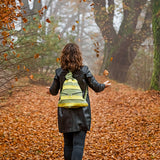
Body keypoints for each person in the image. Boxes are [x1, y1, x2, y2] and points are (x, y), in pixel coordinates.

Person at [48, 43, 111, 160]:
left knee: (68, 145)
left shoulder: (59, 72)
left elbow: (53, 91)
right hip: (82, 113)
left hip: (65, 114)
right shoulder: (84, 70)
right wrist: (104, 85)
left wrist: (49, 91)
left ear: (63, 56)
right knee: (78, 145)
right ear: (78, 56)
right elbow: (96, 87)